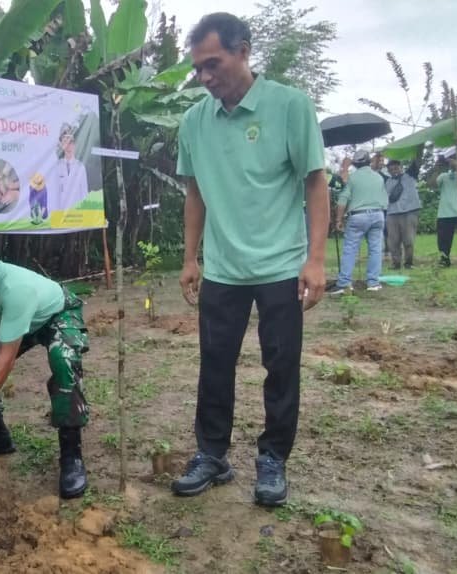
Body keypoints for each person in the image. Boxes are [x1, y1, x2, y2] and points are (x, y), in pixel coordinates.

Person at [172, 12, 328, 507]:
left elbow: (315, 181)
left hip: (282, 266)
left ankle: (273, 459)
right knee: (214, 364)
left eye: (212, 64)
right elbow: (195, 192)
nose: (204, 76)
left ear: (243, 52)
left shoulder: (289, 106)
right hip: (223, 268)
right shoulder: (194, 122)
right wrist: (190, 257)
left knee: (281, 366)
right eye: (198, 68)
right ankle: (211, 454)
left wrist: (316, 259)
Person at [0, 230, 91, 499]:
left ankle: (72, 456)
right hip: (18, 322)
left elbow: (6, 359)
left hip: (56, 313)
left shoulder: (16, 288)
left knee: (63, 361)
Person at [328, 150, 388, 294]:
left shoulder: (353, 178)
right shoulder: (379, 177)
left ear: (355, 164)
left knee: (350, 249)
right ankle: (373, 283)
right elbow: (385, 200)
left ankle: (344, 283)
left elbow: (343, 200)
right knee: (375, 249)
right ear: (369, 161)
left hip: (358, 216)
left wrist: (338, 219)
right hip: (378, 214)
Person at [384, 157, 423, 269]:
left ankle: (408, 263)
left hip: (409, 212)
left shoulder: (410, 175)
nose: (394, 171)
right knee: (393, 241)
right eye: (391, 169)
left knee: (408, 240)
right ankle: (395, 263)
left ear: (401, 167)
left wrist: (418, 148)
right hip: (392, 213)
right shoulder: (387, 181)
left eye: (396, 168)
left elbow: (417, 160)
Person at [49, 123, 89, 212]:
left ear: (74, 144)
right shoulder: (57, 167)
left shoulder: (80, 167)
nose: (68, 146)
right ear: (61, 145)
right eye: (65, 142)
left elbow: (84, 194)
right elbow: (53, 194)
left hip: (77, 215)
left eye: (70, 142)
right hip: (60, 214)